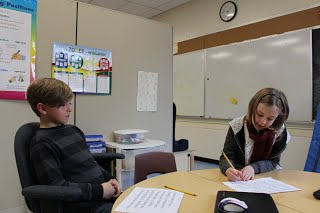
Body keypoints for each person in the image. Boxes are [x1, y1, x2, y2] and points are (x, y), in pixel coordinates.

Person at [26, 78, 120, 213]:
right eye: (62, 105)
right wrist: (101, 191)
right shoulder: (42, 144)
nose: (69, 109)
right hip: (84, 206)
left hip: (103, 197)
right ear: (42, 108)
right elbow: (57, 187)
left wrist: (110, 179)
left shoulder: (73, 131)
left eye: (69, 103)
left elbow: (90, 163)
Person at [219, 88, 290, 182]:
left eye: (270, 119)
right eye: (259, 114)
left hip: (266, 177)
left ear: (277, 118)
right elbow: (226, 157)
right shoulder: (237, 126)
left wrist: (253, 168)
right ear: (253, 108)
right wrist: (228, 169)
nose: (262, 122)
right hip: (240, 178)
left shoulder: (279, 132)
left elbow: (273, 161)